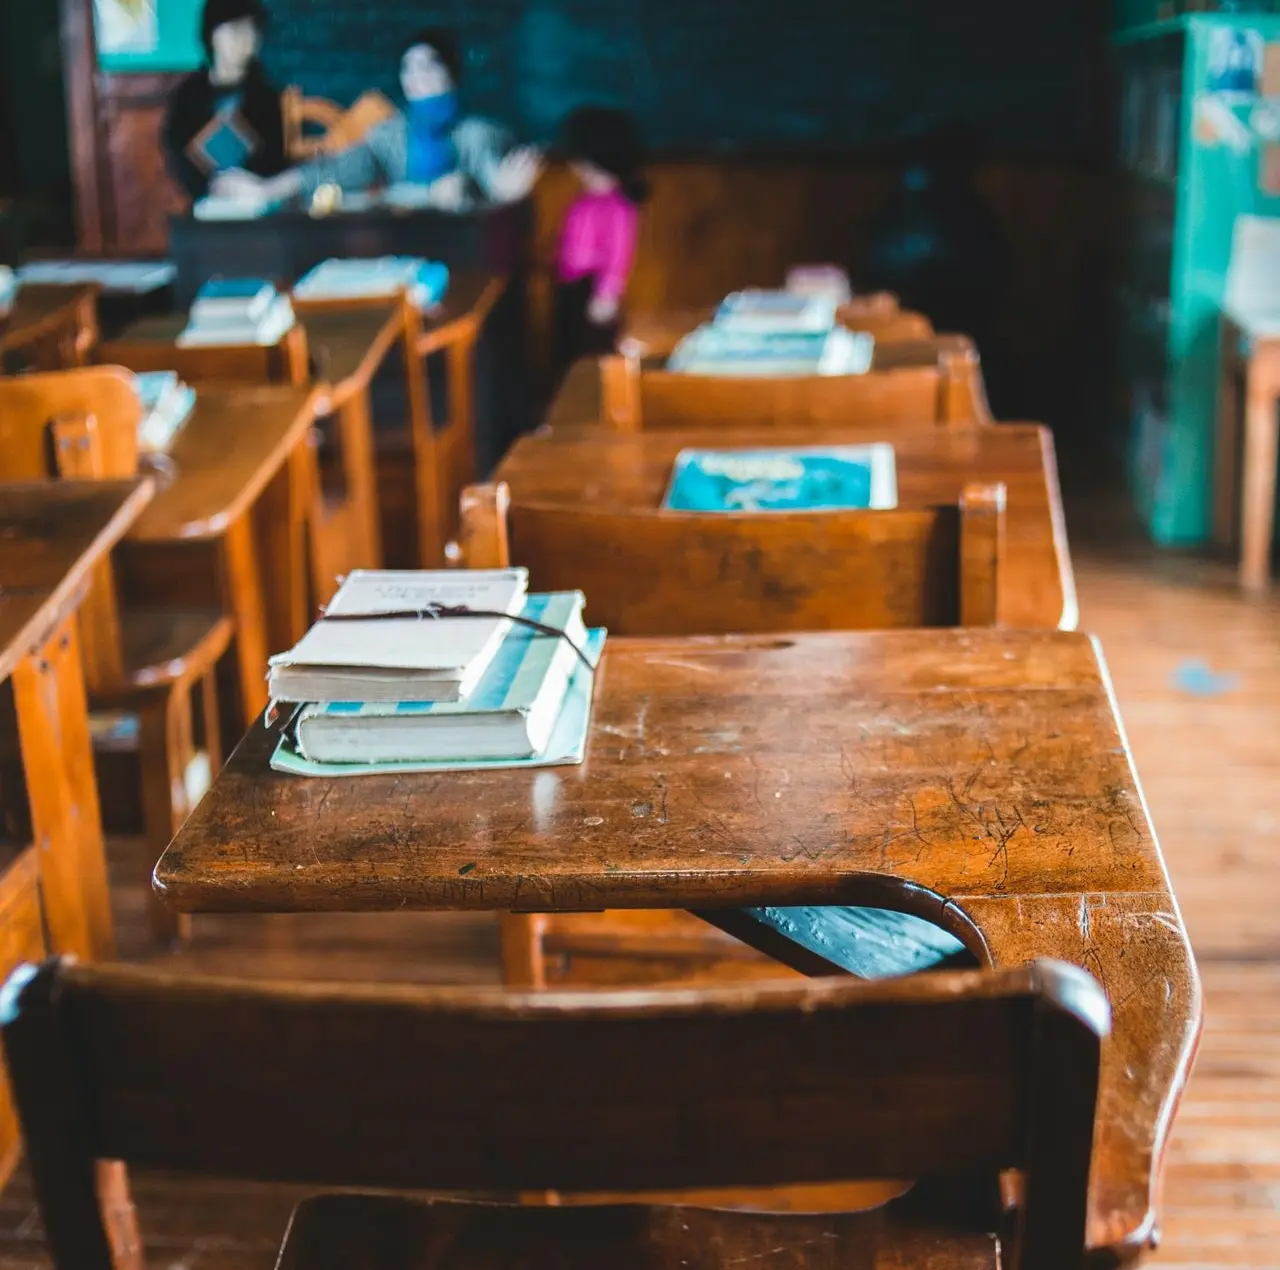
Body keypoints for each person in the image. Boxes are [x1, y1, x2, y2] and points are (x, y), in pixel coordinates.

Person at [212, 28, 541, 211]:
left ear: (452, 74)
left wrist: (501, 194)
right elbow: (332, 171)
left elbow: (498, 182)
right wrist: (266, 191)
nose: (417, 77)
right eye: (408, 68)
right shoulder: (390, 135)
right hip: (403, 251)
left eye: (429, 65)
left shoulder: (479, 133)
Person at [551, 106, 647, 388]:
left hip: (593, 291)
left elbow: (619, 253)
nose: (574, 166)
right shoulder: (586, 198)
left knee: (594, 356)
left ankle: (595, 406)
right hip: (569, 285)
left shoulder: (618, 205)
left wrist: (607, 294)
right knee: (568, 353)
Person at [163, 0, 287, 200]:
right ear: (212, 35)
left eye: (252, 31)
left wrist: (247, 185)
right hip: (204, 204)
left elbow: (274, 157)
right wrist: (208, 190)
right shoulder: (187, 95)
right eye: (236, 30)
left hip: (254, 201)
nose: (246, 40)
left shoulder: (267, 95)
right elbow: (177, 153)